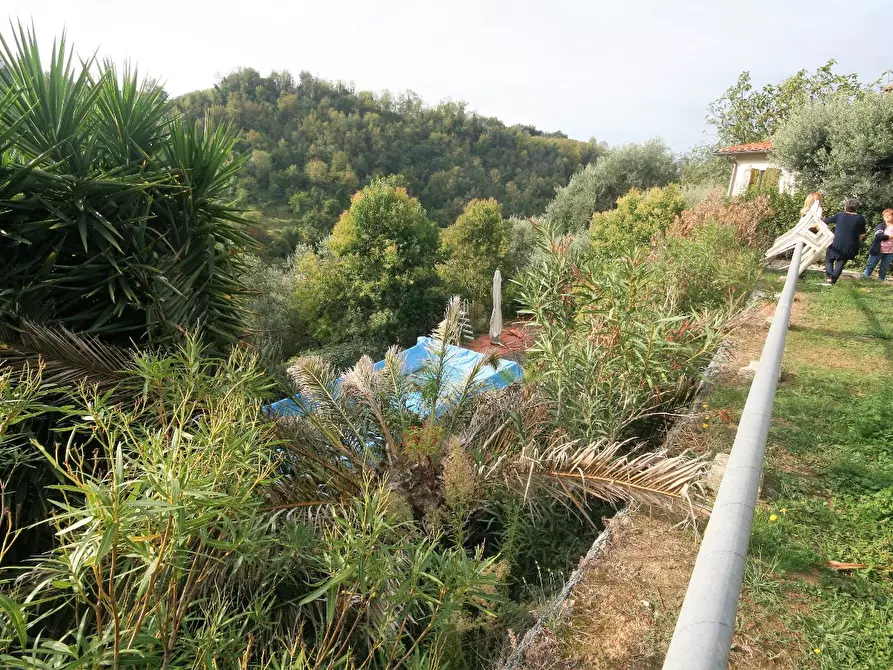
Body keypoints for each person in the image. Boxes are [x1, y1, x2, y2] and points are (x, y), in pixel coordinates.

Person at [821, 198, 866, 284]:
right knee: (841, 262)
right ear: (857, 208)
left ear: (845, 207)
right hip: (850, 245)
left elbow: (825, 222)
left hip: (836, 242)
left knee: (829, 259)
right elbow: (863, 234)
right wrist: (856, 240)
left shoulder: (840, 215)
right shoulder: (860, 218)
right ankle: (832, 281)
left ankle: (829, 276)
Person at [863, 208, 893, 281]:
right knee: (870, 265)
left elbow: (882, 236)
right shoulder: (880, 226)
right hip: (878, 249)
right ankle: (864, 279)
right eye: (885, 215)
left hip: (890, 251)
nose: (886, 217)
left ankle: (881, 281)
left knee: (884, 268)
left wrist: (886, 237)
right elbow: (879, 236)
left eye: (889, 215)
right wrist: (891, 236)